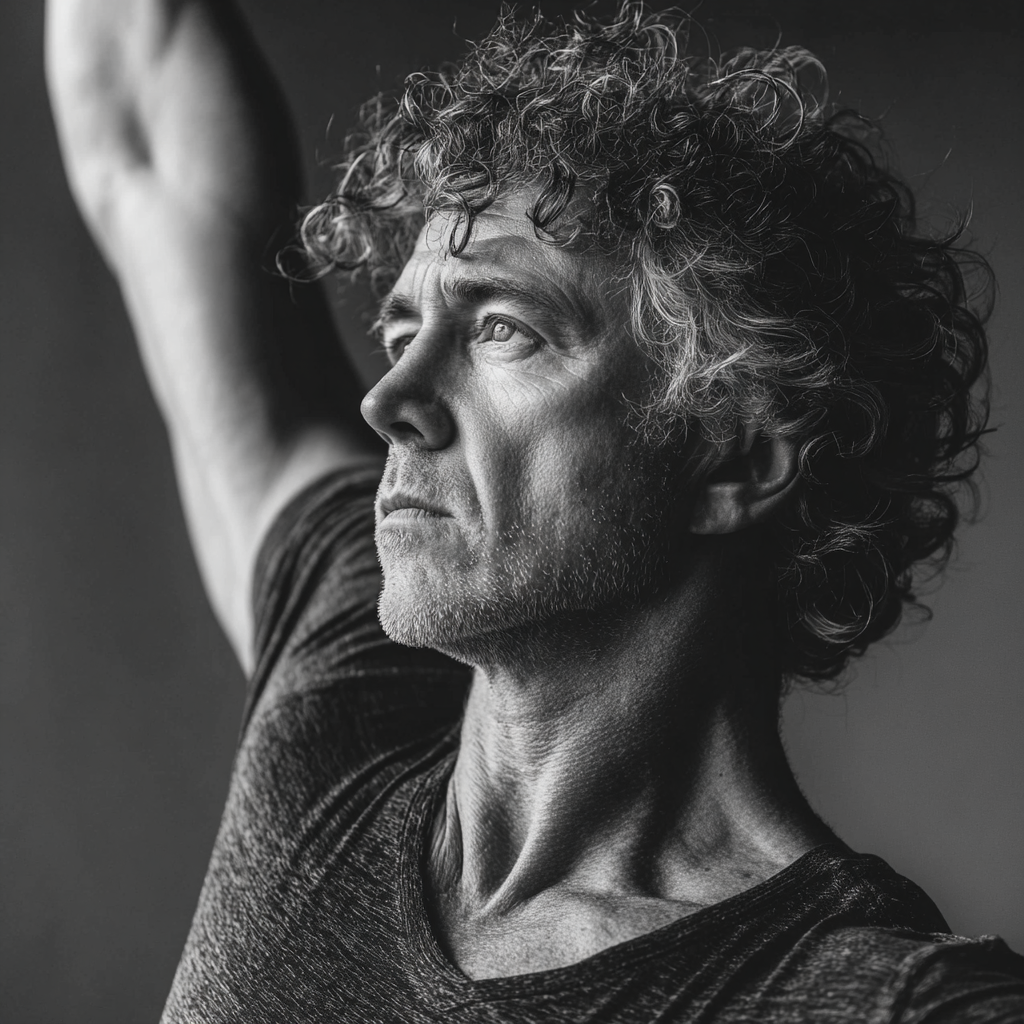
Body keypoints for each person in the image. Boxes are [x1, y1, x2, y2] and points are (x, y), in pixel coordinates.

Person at [46, 0, 1024, 1020]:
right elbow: (151, 155)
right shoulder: (341, 703)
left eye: (502, 330)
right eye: (400, 334)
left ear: (734, 455)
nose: (388, 403)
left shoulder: (874, 999)